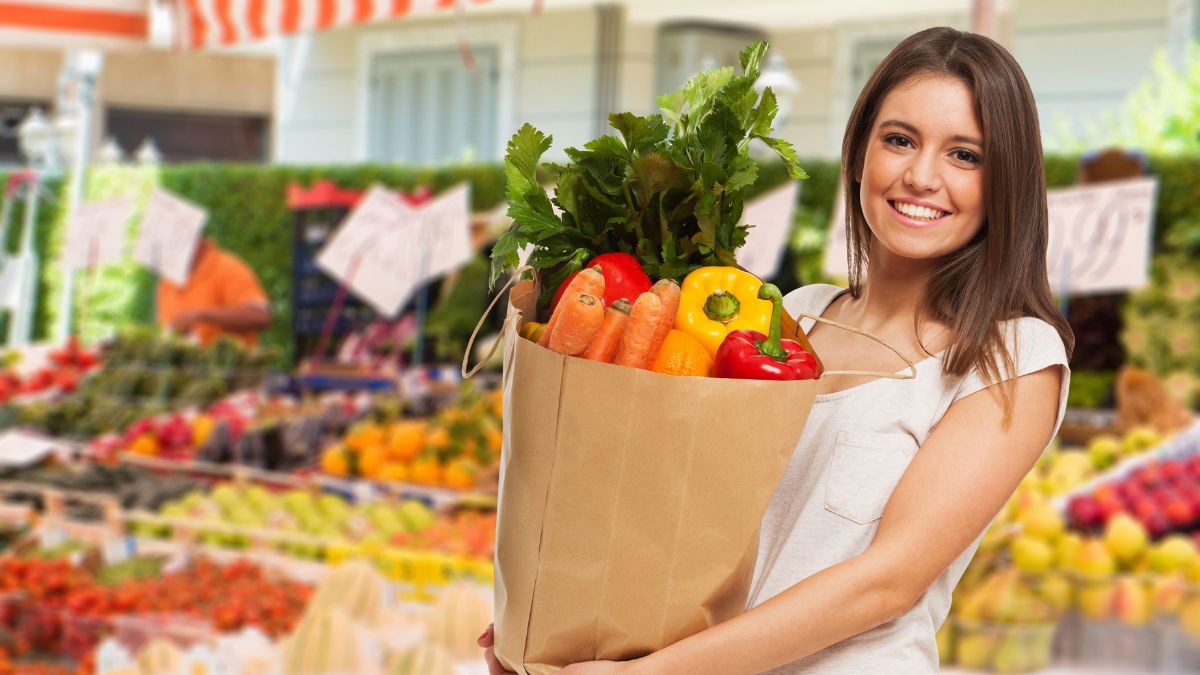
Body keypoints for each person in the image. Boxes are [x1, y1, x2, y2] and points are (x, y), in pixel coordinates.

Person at [481, 26, 1074, 674]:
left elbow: (886, 583)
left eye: (966, 155)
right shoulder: (793, 314)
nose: (921, 175)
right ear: (858, 153)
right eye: (899, 139)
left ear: (1004, 183)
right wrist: (568, 621)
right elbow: (673, 513)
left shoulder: (1012, 358)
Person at [157, 237, 272, 348]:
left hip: (232, 366)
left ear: (197, 240)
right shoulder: (166, 283)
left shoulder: (226, 266)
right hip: (188, 366)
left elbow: (260, 315)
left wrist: (201, 315)